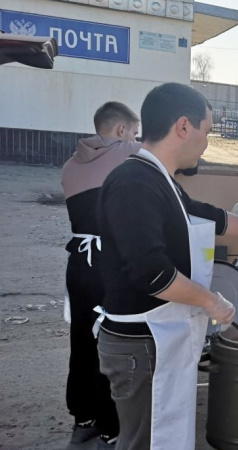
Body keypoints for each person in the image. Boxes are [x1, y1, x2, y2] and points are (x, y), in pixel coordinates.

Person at [94, 83, 238, 450]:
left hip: (157, 338)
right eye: (207, 131)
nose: (206, 142)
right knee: (144, 440)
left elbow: (206, 216)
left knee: (162, 433)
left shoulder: (159, 178)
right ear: (184, 126)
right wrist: (211, 301)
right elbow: (153, 274)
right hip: (141, 343)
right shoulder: (133, 183)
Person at [61, 101, 142, 449]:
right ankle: (111, 426)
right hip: (108, 261)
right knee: (111, 341)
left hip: (78, 261)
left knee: (81, 339)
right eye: (134, 132)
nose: (136, 138)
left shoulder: (70, 164)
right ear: (122, 131)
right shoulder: (127, 153)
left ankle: (84, 416)